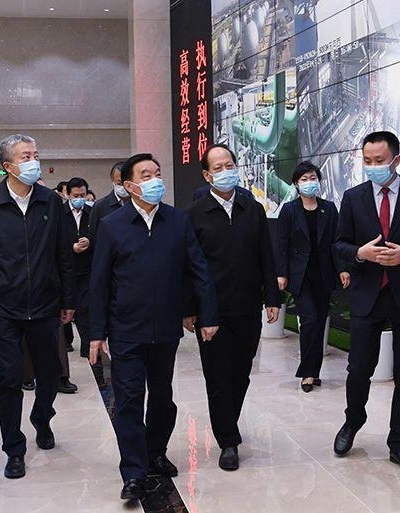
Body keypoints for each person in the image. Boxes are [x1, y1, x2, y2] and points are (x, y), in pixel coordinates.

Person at [89, 153, 219, 502]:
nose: (155, 180)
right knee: (129, 399)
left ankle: (155, 451)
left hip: (165, 329)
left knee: (162, 397)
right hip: (125, 329)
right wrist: (97, 333)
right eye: (146, 175)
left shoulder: (177, 220)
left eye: (157, 173)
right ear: (129, 185)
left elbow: (198, 270)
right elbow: (99, 282)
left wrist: (207, 315)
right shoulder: (112, 225)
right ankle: (133, 471)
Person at [332, 131, 400, 475]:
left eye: (379, 161)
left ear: (396, 160)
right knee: (358, 369)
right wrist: (360, 254)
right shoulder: (353, 197)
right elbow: (340, 245)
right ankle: (353, 421)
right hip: (368, 295)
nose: (373, 166)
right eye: (367, 161)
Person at [0, 134, 75, 480]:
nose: (34, 161)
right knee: (9, 379)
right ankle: (14, 448)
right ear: (8, 166)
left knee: (50, 373)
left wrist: (68, 299)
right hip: (3, 307)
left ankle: (42, 417)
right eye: (26, 156)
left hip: (45, 303)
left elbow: (63, 254)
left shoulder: (50, 201)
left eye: (35, 154)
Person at [184, 143, 279, 472]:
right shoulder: (194, 214)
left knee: (241, 373)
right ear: (207, 175)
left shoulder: (252, 208)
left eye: (230, 165)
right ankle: (227, 440)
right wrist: (190, 309)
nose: (226, 172)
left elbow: (266, 256)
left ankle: (229, 422)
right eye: (218, 168)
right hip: (212, 311)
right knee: (218, 376)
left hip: (248, 306)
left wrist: (272, 298)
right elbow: (187, 267)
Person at [276, 161, 349, 392]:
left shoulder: (329, 208)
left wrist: (342, 268)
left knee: (319, 322)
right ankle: (307, 373)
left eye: (313, 178)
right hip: (300, 275)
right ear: (296, 184)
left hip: (323, 273)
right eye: (304, 179)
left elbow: (337, 242)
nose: (309, 183)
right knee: (308, 320)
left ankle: (313, 371)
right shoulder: (289, 210)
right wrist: (281, 273)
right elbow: (282, 244)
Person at [62, 177, 93, 359]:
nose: (79, 199)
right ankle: (66, 341)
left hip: (86, 268)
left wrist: (90, 241)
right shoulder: (60, 213)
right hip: (66, 268)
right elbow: (53, 240)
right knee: (66, 305)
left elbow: (100, 235)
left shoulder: (92, 212)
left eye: (83, 195)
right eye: (76, 195)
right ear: (68, 194)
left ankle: (86, 345)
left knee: (85, 308)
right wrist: (71, 247)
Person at [88, 161, 127, 248]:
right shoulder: (100, 206)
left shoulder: (140, 203)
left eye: (126, 183)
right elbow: (93, 237)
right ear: (112, 180)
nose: (123, 187)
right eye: (119, 183)